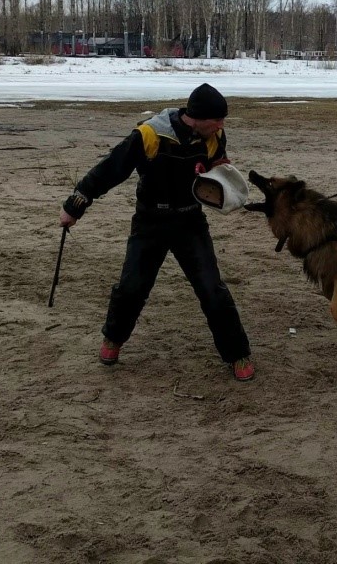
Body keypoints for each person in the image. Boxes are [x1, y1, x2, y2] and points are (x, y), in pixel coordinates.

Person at [59, 83, 255, 381]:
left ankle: (238, 354)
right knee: (131, 288)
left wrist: (221, 176)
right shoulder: (149, 135)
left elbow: (214, 166)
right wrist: (75, 205)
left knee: (212, 289)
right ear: (197, 117)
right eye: (217, 120)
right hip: (150, 221)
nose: (221, 126)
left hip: (190, 221)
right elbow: (111, 169)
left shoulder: (214, 136)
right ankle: (113, 339)